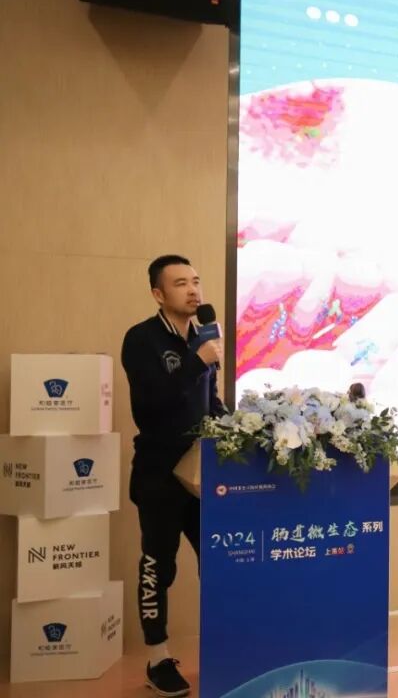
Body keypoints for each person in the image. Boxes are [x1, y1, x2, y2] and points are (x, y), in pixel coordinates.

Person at [121, 255, 226, 697]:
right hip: (159, 475)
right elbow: (150, 406)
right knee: (158, 566)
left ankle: (225, 643)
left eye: (196, 281)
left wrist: (234, 427)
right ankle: (158, 657)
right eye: (181, 283)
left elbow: (209, 402)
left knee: (219, 562)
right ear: (158, 294)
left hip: (201, 475)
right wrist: (197, 362)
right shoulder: (141, 339)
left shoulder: (204, 337)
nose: (193, 290)